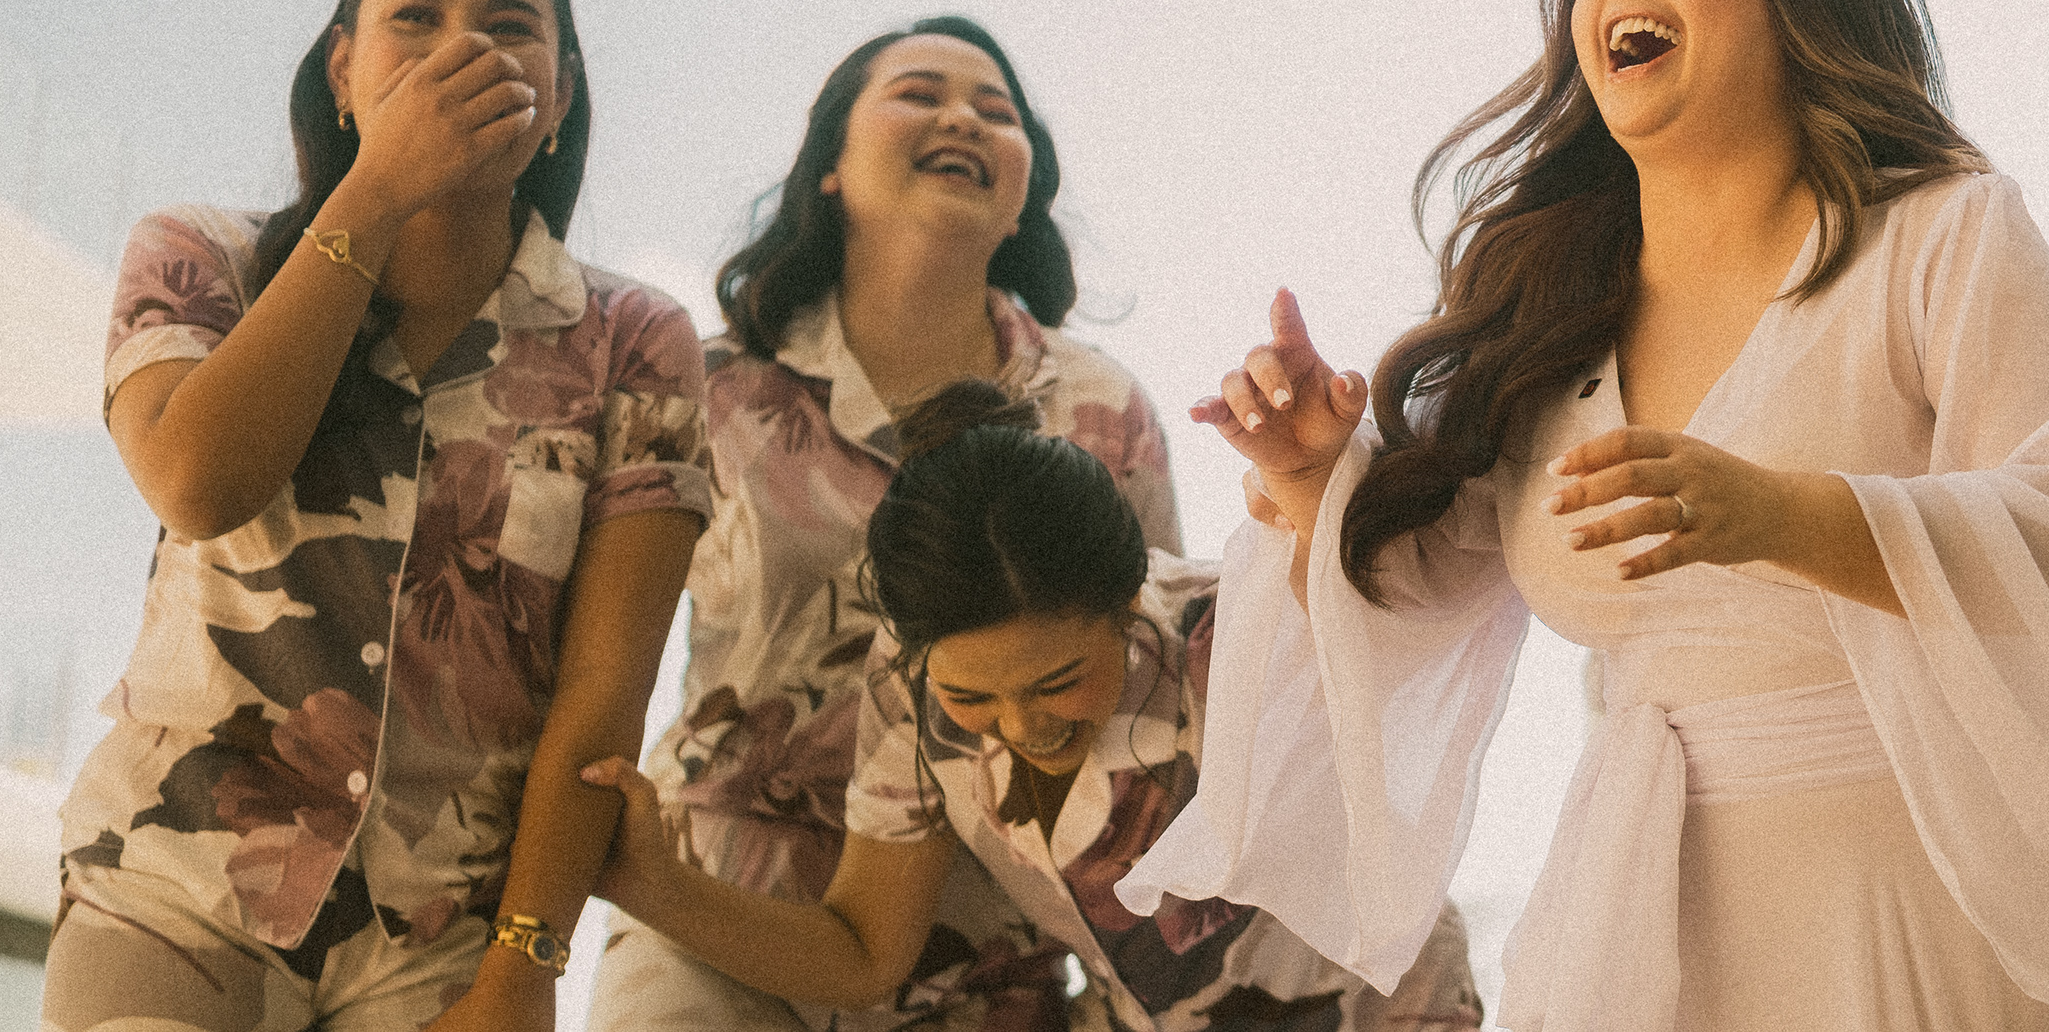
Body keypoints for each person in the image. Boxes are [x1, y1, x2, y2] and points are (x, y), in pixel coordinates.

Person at [1124, 0, 2049, 1032]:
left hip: (1932, 912)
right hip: (1642, 939)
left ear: (1798, 2)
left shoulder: (1943, 234)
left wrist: (1782, 513)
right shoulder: (1548, 313)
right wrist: (1312, 477)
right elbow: (1413, 597)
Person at [583, 16, 1469, 1029]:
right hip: (737, 880)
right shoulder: (710, 389)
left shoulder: (1104, 408)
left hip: (1007, 940)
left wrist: (1307, 483)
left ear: (1023, 195)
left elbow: (1240, 640)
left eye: (995, 109)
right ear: (828, 161)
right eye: (919, 93)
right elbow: (602, 645)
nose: (962, 117)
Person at [49, 0, 712, 1032]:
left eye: (511, 26)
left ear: (560, 96)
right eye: (416, 17)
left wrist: (525, 966)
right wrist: (379, 187)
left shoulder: (636, 341)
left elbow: (602, 693)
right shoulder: (204, 255)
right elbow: (197, 483)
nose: (465, 47)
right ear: (342, 72)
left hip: (446, 939)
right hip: (176, 886)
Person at [579, 382, 1483, 1030]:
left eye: (1058, 682)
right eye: (973, 695)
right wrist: (649, 882)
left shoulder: (1225, 631)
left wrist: (1319, 478)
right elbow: (864, 953)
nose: (1024, 725)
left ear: (1128, 598)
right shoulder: (908, 686)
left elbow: (1394, 617)